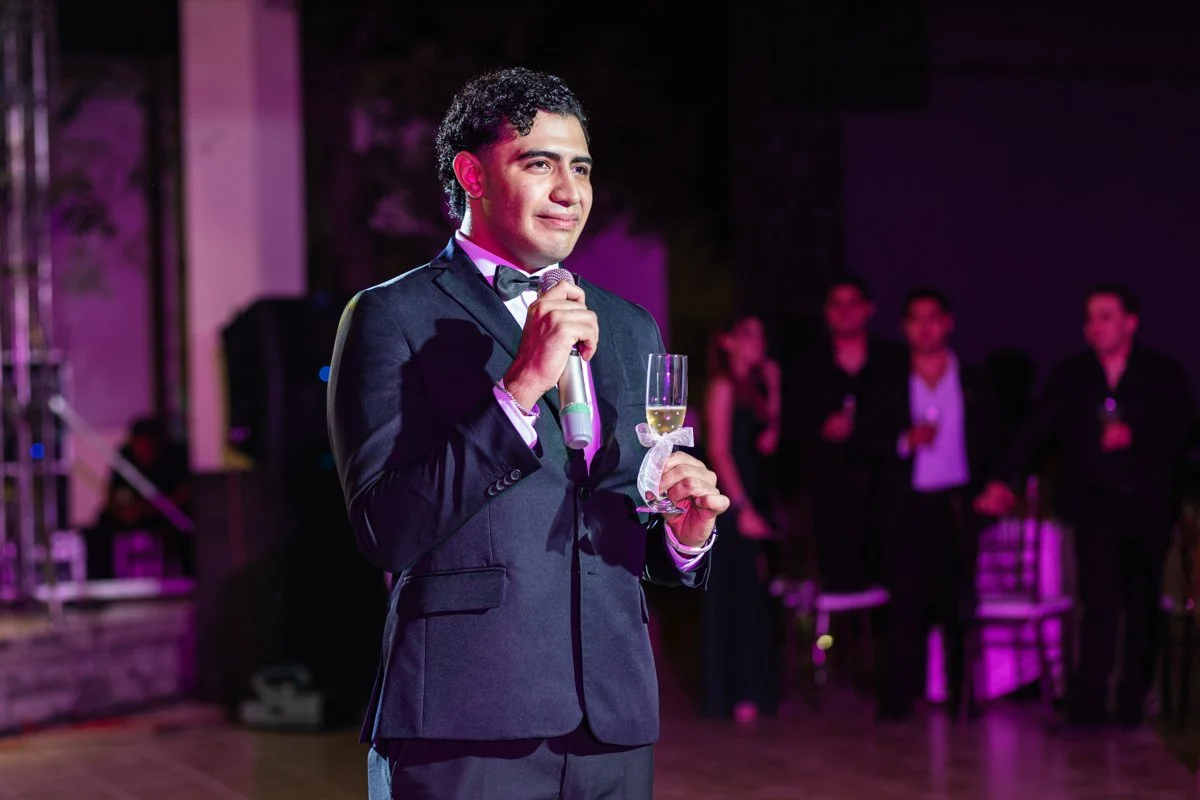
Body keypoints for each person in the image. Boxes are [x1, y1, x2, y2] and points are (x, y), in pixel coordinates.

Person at [327, 67, 729, 800]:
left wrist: (683, 535)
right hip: (466, 716)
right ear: (472, 175)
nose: (570, 191)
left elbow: (621, 520)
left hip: (611, 717)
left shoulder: (630, 326)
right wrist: (517, 391)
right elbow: (386, 528)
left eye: (582, 168)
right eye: (539, 163)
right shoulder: (390, 316)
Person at [976, 285, 1196, 729]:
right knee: (1097, 602)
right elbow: (1036, 430)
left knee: (1141, 603)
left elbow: (1185, 430)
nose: (1095, 326)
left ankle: (1132, 700)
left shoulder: (1160, 374)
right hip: (1094, 507)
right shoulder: (1072, 376)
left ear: (1130, 322)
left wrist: (1138, 436)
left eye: (1106, 316)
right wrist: (1003, 478)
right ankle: (1088, 702)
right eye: (1090, 317)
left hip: (1147, 506)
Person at [855, 288, 1003, 721]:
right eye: (916, 319)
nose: (925, 327)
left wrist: (993, 486)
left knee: (958, 601)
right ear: (905, 327)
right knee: (904, 602)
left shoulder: (971, 379)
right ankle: (902, 698)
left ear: (947, 322)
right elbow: (864, 437)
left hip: (956, 505)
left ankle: (963, 695)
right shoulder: (888, 380)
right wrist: (904, 441)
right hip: (906, 506)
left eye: (933, 317)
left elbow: (993, 439)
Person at [783, 275, 905, 593]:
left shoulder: (893, 362)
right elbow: (791, 426)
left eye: (853, 303)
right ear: (826, 312)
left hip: (885, 493)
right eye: (837, 304)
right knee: (835, 583)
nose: (845, 311)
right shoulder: (808, 365)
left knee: (891, 582)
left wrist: (863, 429)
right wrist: (822, 429)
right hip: (829, 497)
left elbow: (903, 420)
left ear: (868, 309)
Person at [699, 312, 781, 724]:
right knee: (736, 597)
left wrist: (776, 388)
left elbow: (769, 443)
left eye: (760, 335)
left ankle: (754, 690)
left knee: (755, 598)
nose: (757, 342)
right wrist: (741, 507)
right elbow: (719, 451)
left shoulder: (756, 388)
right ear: (727, 341)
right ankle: (734, 693)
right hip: (732, 504)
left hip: (754, 497)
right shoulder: (722, 386)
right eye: (748, 334)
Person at [83, 416, 192, 580]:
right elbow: (112, 493)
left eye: (146, 444)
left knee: (188, 528)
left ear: (156, 443)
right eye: (137, 444)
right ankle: (101, 581)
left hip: (165, 514)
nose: (141, 449)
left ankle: (188, 577)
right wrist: (124, 510)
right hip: (132, 515)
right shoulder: (125, 456)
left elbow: (183, 493)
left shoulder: (173, 456)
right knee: (99, 528)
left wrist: (148, 509)